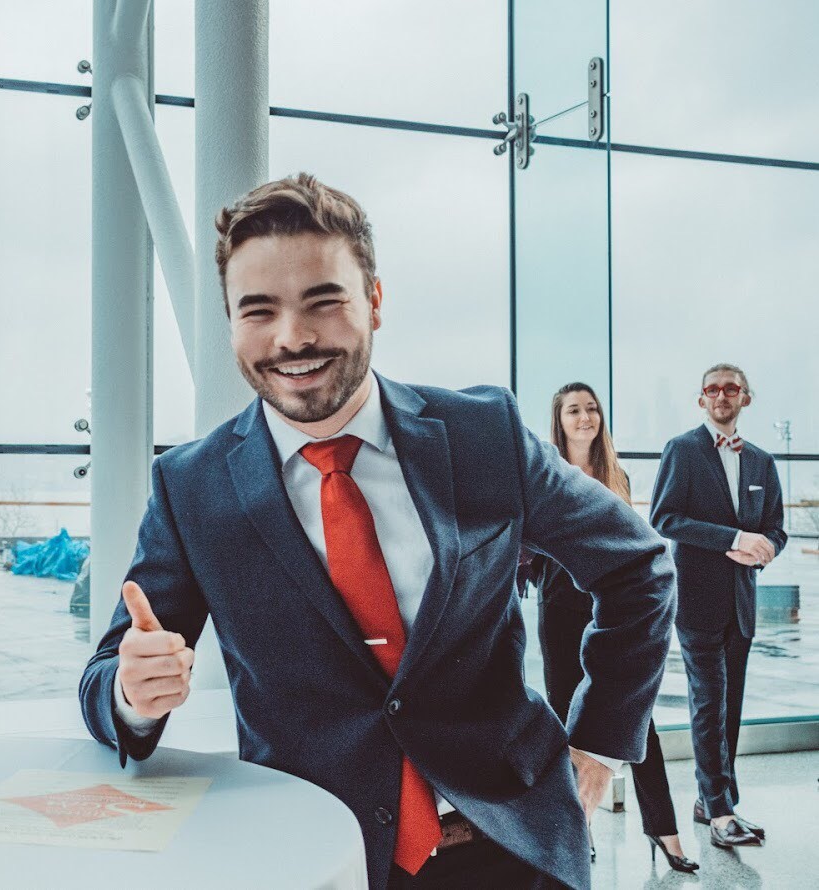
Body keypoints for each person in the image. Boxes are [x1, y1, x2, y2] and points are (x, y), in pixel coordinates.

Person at [79, 174, 675, 889]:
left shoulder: (480, 435)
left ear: (375, 301)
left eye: (322, 301)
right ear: (231, 321)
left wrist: (601, 742)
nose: (291, 337)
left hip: (510, 847)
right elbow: (107, 675)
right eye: (258, 309)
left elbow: (638, 567)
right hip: (320, 856)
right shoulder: (191, 487)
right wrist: (131, 693)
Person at [524, 383, 696, 873]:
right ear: (559, 420)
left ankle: (664, 831)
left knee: (636, 718)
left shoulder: (615, 473)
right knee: (564, 716)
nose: (585, 417)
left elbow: (636, 551)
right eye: (574, 410)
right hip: (561, 602)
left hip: (613, 604)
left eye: (591, 408)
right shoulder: (547, 475)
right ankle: (579, 827)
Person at [649, 363, 786, 849]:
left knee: (729, 708)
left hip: (741, 603)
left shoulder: (763, 463)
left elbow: (776, 528)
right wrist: (733, 536)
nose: (722, 395)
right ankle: (723, 811)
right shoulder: (682, 451)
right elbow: (664, 518)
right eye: (713, 388)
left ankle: (712, 800)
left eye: (732, 388)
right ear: (701, 399)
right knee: (708, 702)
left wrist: (766, 547)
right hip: (698, 601)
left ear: (745, 398)